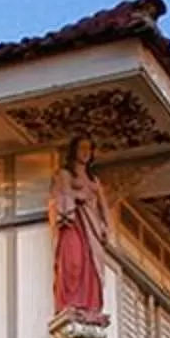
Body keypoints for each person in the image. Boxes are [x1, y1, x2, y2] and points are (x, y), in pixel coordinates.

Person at [47, 136, 113, 320]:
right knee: (73, 262)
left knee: (91, 265)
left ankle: (89, 306)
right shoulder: (64, 174)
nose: (85, 152)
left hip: (92, 226)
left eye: (89, 149)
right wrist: (76, 197)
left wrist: (107, 226)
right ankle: (70, 303)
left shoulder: (94, 180)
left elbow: (103, 205)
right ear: (74, 151)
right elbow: (58, 197)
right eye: (82, 148)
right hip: (73, 223)